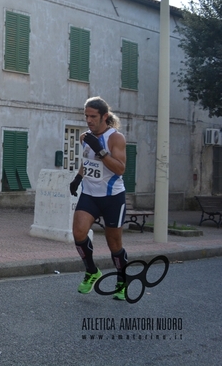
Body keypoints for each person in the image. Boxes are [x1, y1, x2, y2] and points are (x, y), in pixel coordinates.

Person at [69, 96, 129, 300]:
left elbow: (120, 169)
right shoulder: (85, 137)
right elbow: (88, 161)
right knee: (78, 233)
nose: (88, 120)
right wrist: (78, 178)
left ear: (104, 116)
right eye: (86, 116)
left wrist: (101, 150)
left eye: (93, 116)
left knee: (114, 245)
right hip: (90, 195)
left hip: (112, 197)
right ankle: (92, 271)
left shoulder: (115, 138)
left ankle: (122, 281)